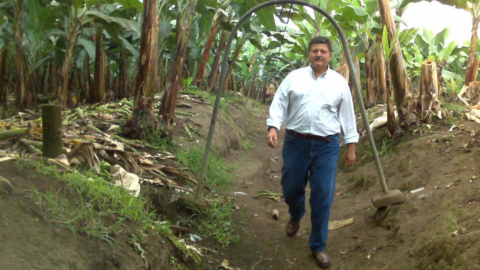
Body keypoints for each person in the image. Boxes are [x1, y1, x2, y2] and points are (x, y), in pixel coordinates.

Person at [266, 36, 358, 269]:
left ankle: (318, 245)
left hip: (326, 145)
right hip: (296, 142)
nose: (319, 54)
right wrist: (273, 126)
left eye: (323, 51)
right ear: (308, 54)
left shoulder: (339, 83)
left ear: (330, 56)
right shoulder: (294, 78)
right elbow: (279, 102)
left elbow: (347, 115)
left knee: (323, 195)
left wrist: (351, 147)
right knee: (290, 188)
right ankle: (296, 214)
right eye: (315, 50)